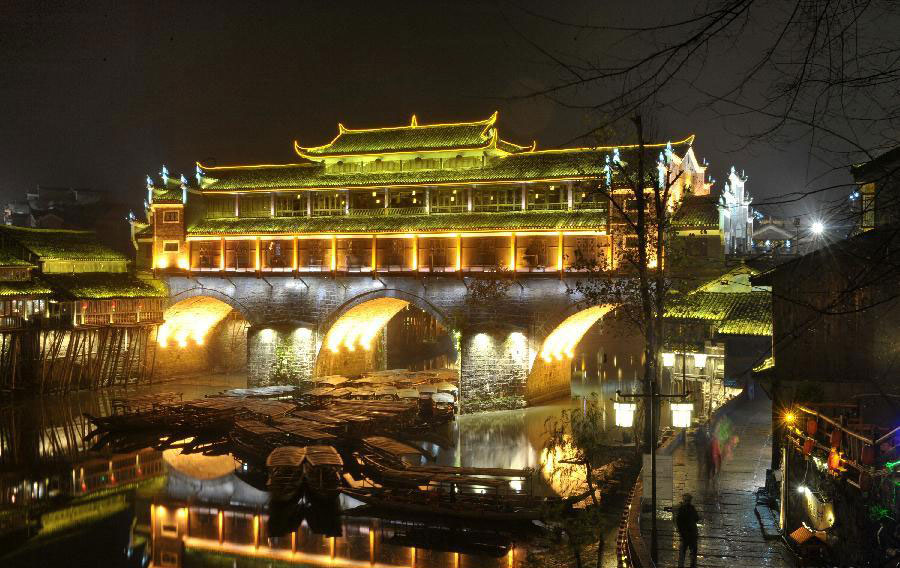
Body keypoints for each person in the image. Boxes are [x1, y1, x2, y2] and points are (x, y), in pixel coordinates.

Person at [675, 493, 700, 568]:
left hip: (685, 534)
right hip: (693, 533)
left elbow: (678, 522)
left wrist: (680, 532)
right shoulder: (692, 508)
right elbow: (697, 518)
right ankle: (693, 565)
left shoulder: (681, 509)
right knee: (693, 552)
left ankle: (681, 566)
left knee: (682, 553)